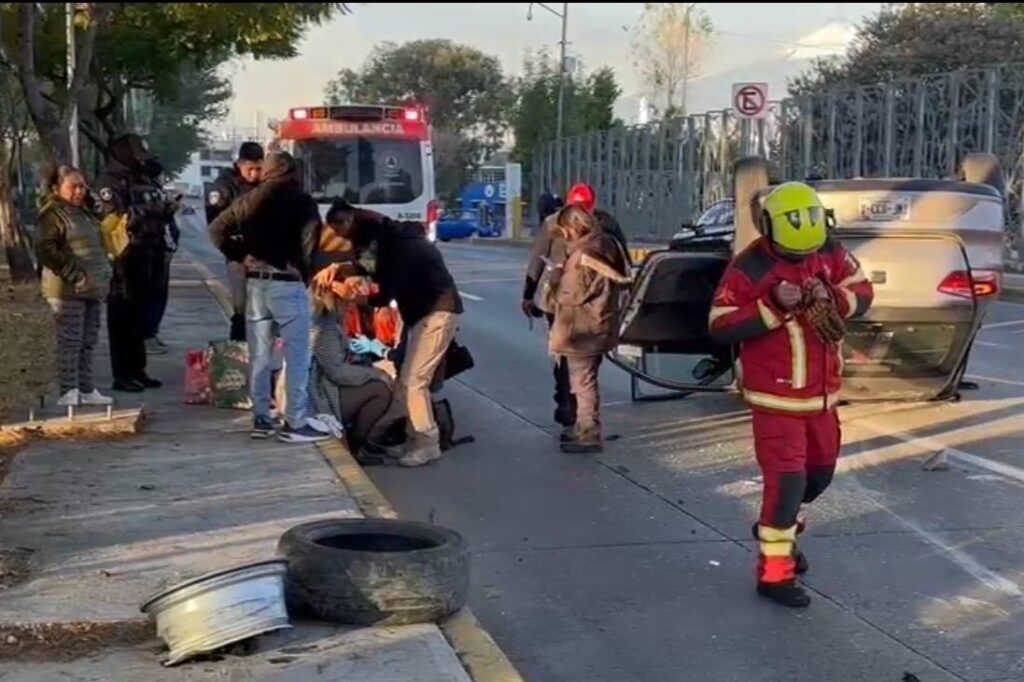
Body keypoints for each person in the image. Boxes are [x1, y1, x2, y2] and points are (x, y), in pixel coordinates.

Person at [708, 182, 873, 608]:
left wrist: (831, 296)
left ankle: (779, 528)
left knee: (819, 476)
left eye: (808, 250)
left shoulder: (829, 250)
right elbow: (721, 324)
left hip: (822, 400)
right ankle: (775, 574)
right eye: (792, 251)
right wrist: (772, 305)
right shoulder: (750, 267)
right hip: (775, 401)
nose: (803, 257)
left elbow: (863, 292)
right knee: (786, 484)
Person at [318, 199, 462, 467]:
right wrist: (341, 269)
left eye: (339, 232)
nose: (341, 239)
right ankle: (413, 439)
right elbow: (368, 267)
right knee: (407, 380)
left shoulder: (394, 246)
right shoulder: (388, 236)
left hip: (436, 311)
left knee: (414, 381)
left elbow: (383, 293)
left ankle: (427, 443)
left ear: (348, 221)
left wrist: (350, 294)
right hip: (422, 311)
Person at [208, 151, 329, 444]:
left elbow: (216, 228)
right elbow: (310, 240)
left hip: (256, 285)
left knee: (260, 356)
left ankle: (260, 419)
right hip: (287, 285)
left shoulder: (250, 199)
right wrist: (303, 270)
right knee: (297, 355)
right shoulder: (301, 201)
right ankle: (295, 422)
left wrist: (240, 255)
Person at [522, 182, 630, 440]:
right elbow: (623, 262)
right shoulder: (605, 227)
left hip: (568, 304)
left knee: (571, 362)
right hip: (599, 306)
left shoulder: (556, 224)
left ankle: (574, 416)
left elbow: (538, 261)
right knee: (587, 365)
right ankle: (580, 417)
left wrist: (531, 293)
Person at [548, 205, 631, 454]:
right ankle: (582, 427)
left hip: (582, 329)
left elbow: (570, 294)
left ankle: (589, 432)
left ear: (573, 227)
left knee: (582, 383)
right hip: (600, 322)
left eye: (565, 230)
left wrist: (555, 277)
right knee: (586, 379)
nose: (564, 235)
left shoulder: (583, 255)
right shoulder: (606, 244)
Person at [96, 134, 171, 393]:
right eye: (137, 156)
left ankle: (138, 369)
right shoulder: (109, 182)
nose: (141, 161)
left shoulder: (144, 177)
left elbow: (153, 205)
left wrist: (166, 209)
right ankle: (122, 374)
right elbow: (113, 219)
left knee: (141, 316)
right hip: (124, 256)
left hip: (150, 251)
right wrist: (149, 210)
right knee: (122, 317)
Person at [35, 165, 114, 407]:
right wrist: (75, 274)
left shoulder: (84, 212)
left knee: (88, 341)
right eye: (73, 186)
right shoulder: (53, 215)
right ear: (57, 188)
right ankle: (68, 390)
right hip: (67, 290)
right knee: (70, 342)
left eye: (82, 186)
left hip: (93, 288)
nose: (79, 191)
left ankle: (86, 389)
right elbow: (45, 250)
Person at [308, 275, 394, 466]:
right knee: (380, 390)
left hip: (322, 385)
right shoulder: (324, 328)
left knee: (379, 379)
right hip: (320, 394)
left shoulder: (327, 321)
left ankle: (361, 440)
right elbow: (336, 372)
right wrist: (375, 374)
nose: (351, 303)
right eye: (347, 300)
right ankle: (357, 445)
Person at [206, 142, 264, 341]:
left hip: (265, 255)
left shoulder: (266, 184)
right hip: (238, 255)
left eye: (258, 169)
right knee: (242, 308)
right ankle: (238, 347)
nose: (254, 174)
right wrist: (239, 255)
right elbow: (216, 229)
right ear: (239, 164)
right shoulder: (224, 187)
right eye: (250, 169)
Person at [141, 156, 180, 354]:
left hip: (161, 249)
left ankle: (151, 332)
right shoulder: (147, 192)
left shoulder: (155, 191)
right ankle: (147, 335)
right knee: (152, 295)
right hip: (152, 249)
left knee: (158, 295)